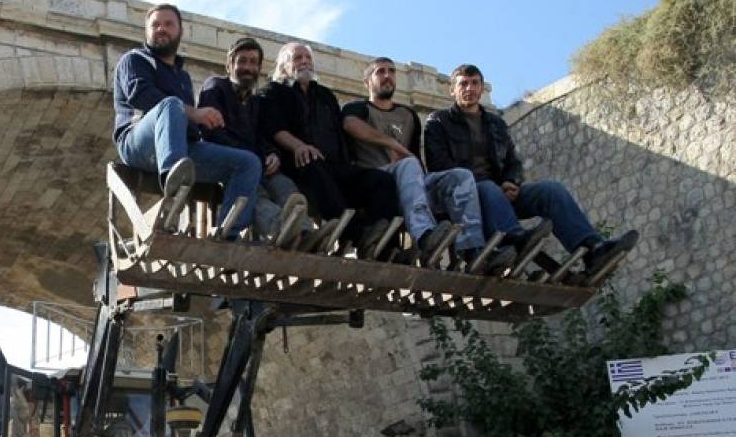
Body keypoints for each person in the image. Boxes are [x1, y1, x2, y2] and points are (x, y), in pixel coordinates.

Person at [424, 64, 639, 277]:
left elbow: (512, 161)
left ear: (481, 88)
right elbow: (439, 164)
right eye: (463, 84)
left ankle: (593, 249)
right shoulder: (438, 121)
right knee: (487, 187)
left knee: (551, 190)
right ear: (452, 90)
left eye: (474, 83)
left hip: (498, 194)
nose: (469, 89)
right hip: (466, 197)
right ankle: (514, 239)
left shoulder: (495, 124)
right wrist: (491, 185)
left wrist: (511, 181)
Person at [343, 57, 517, 272]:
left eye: (391, 71)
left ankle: (473, 250)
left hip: (412, 182)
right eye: (380, 72)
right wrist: (393, 145)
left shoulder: (408, 115)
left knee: (460, 176)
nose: (387, 75)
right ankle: (425, 235)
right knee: (407, 164)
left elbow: (417, 158)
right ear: (367, 82)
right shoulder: (357, 108)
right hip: (376, 180)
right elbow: (351, 125)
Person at [113, 3, 262, 238]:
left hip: (182, 148)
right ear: (147, 31)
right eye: (155, 25)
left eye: (168, 24)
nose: (161, 29)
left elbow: (189, 126)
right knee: (171, 104)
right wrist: (194, 113)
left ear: (180, 31)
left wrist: (205, 127)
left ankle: (228, 235)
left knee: (249, 163)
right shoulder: (135, 59)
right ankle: (173, 193)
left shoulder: (182, 76)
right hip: (138, 143)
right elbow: (141, 96)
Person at [261, 42, 401, 256]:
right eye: (297, 58)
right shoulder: (274, 91)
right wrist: (299, 146)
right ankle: (355, 234)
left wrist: (350, 162)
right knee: (313, 161)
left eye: (308, 58)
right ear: (283, 65)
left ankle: (385, 245)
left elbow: (340, 133)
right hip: (299, 165)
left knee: (382, 180)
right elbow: (274, 128)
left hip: (335, 166)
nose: (304, 62)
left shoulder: (325, 95)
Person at [196, 37, 307, 243]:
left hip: (257, 161)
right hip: (230, 163)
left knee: (284, 186)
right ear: (229, 65)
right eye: (242, 61)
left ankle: (306, 231)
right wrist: (252, 156)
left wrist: (271, 153)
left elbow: (260, 136)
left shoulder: (255, 101)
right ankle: (281, 228)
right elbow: (212, 132)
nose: (248, 67)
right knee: (256, 194)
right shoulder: (216, 87)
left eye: (253, 62)